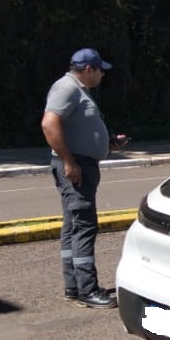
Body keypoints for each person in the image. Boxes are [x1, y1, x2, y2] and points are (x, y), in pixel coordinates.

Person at [41, 48, 127, 309]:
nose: (103, 75)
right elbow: (49, 124)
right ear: (89, 69)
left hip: (80, 164)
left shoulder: (77, 90)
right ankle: (88, 290)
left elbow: (77, 129)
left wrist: (106, 143)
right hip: (75, 167)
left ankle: (74, 286)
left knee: (73, 225)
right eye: (101, 70)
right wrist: (69, 161)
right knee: (84, 226)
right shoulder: (66, 88)